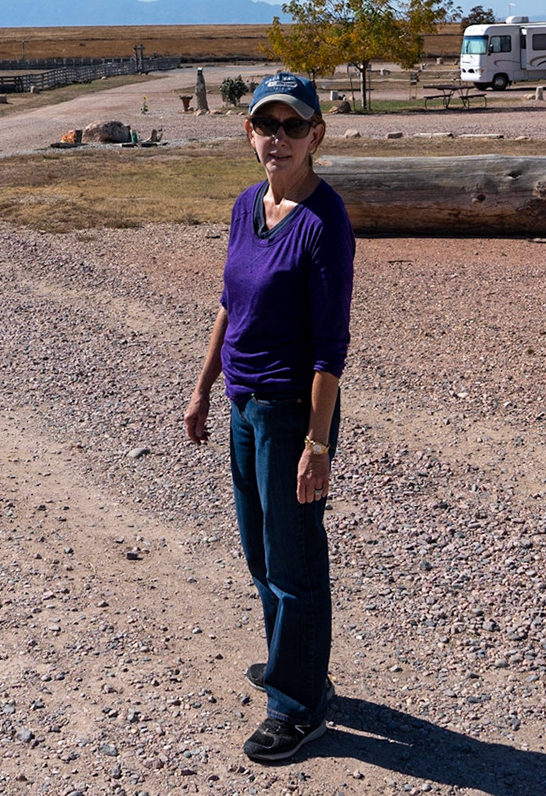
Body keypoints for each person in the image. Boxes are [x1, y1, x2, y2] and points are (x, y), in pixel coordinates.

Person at [183, 72, 355, 764]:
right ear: (248, 133)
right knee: (260, 552)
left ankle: (299, 705)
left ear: (316, 135)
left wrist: (318, 443)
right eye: (266, 124)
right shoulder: (246, 205)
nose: (277, 138)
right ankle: (294, 664)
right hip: (242, 405)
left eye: (292, 126)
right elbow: (229, 302)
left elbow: (330, 348)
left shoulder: (324, 223)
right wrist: (202, 388)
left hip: (291, 414)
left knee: (295, 561)